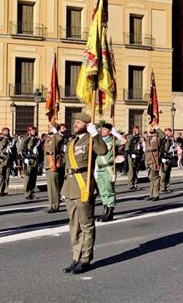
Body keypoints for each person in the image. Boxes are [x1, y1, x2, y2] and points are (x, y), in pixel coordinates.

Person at [61, 113, 107, 275]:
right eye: (74, 122)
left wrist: (96, 134)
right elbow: (67, 166)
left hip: (83, 186)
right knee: (74, 225)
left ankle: (86, 259)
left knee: (86, 225)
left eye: (78, 122)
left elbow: (102, 151)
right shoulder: (72, 141)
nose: (74, 124)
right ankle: (76, 256)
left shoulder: (91, 139)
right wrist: (63, 189)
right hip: (70, 187)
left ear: (87, 125)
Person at [95, 123, 126, 222]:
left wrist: (116, 134)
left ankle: (110, 213)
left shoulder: (112, 141)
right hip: (99, 168)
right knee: (103, 191)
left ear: (109, 131)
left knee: (109, 190)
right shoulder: (99, 141)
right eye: (102, 129)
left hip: (108, 168)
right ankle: (105, 211)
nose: (102, 131)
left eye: (104, 129)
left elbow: (124, 141)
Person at [44, 123, 65, 213]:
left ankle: (54, 206)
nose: (49, 128)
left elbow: (59, 141)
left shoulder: (57, 137)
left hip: (54, 164)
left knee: (54, 186)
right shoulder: (50, 137)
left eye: (50, 127)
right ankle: (54, 203)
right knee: (53, 186)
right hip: (50, 163)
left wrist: (57, 133)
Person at [144, 121, 165, 201]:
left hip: (154, 159)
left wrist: (157, 128)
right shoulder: (148, 137)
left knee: (155, 177)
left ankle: (156, 194)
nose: (150, 127)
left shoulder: (157, 137)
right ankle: (152, 194)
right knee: (151, 178)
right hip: (148, 159)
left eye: (152, 126)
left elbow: (163, 136)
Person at [19, 125, 41, 200]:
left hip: (35, 160)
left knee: (33, 178)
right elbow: (20, 150)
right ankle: (26, 193)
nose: (34, 131)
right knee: (27, 177)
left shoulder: (36, 139)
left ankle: (32, 192)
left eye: (35, 130)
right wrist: (24, 158)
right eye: (33, 130)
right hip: (28, 160)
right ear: (29, 131)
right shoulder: (25, 139)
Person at [0, 127, 14, 196]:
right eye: (6, 131)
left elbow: (14, 149)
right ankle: (0, 190)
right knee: (0, 175)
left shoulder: (10, 139)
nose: (7, 132)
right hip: (1, 159)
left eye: (8, 131)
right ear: (3, 131)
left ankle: (6, 190)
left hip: (8, 159)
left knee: (7, 176)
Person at [125, 125, 143, 190]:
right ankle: (130, 184)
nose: (137, 131)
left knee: (136, 169)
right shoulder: (130, 137)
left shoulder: (139, 138)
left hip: (138, 155)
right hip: (131, 155)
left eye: (138, 130)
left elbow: (141, 146)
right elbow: (127, 148)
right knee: (132, 169)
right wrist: (132, 154)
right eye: (136, 130)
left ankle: (135, 183)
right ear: (133, 130)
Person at [159, 127, 176, 193]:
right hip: (164, 158)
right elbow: (161, 150)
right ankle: (162, 187)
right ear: (165, 132)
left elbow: (173, 148)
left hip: (170, 158)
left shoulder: (171, 140)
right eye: (169, 132)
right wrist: (162, 158)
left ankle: (167, 186)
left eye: (170, 132)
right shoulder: (163, 140)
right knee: (163, 173)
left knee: (168, 173)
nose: (170, 133)